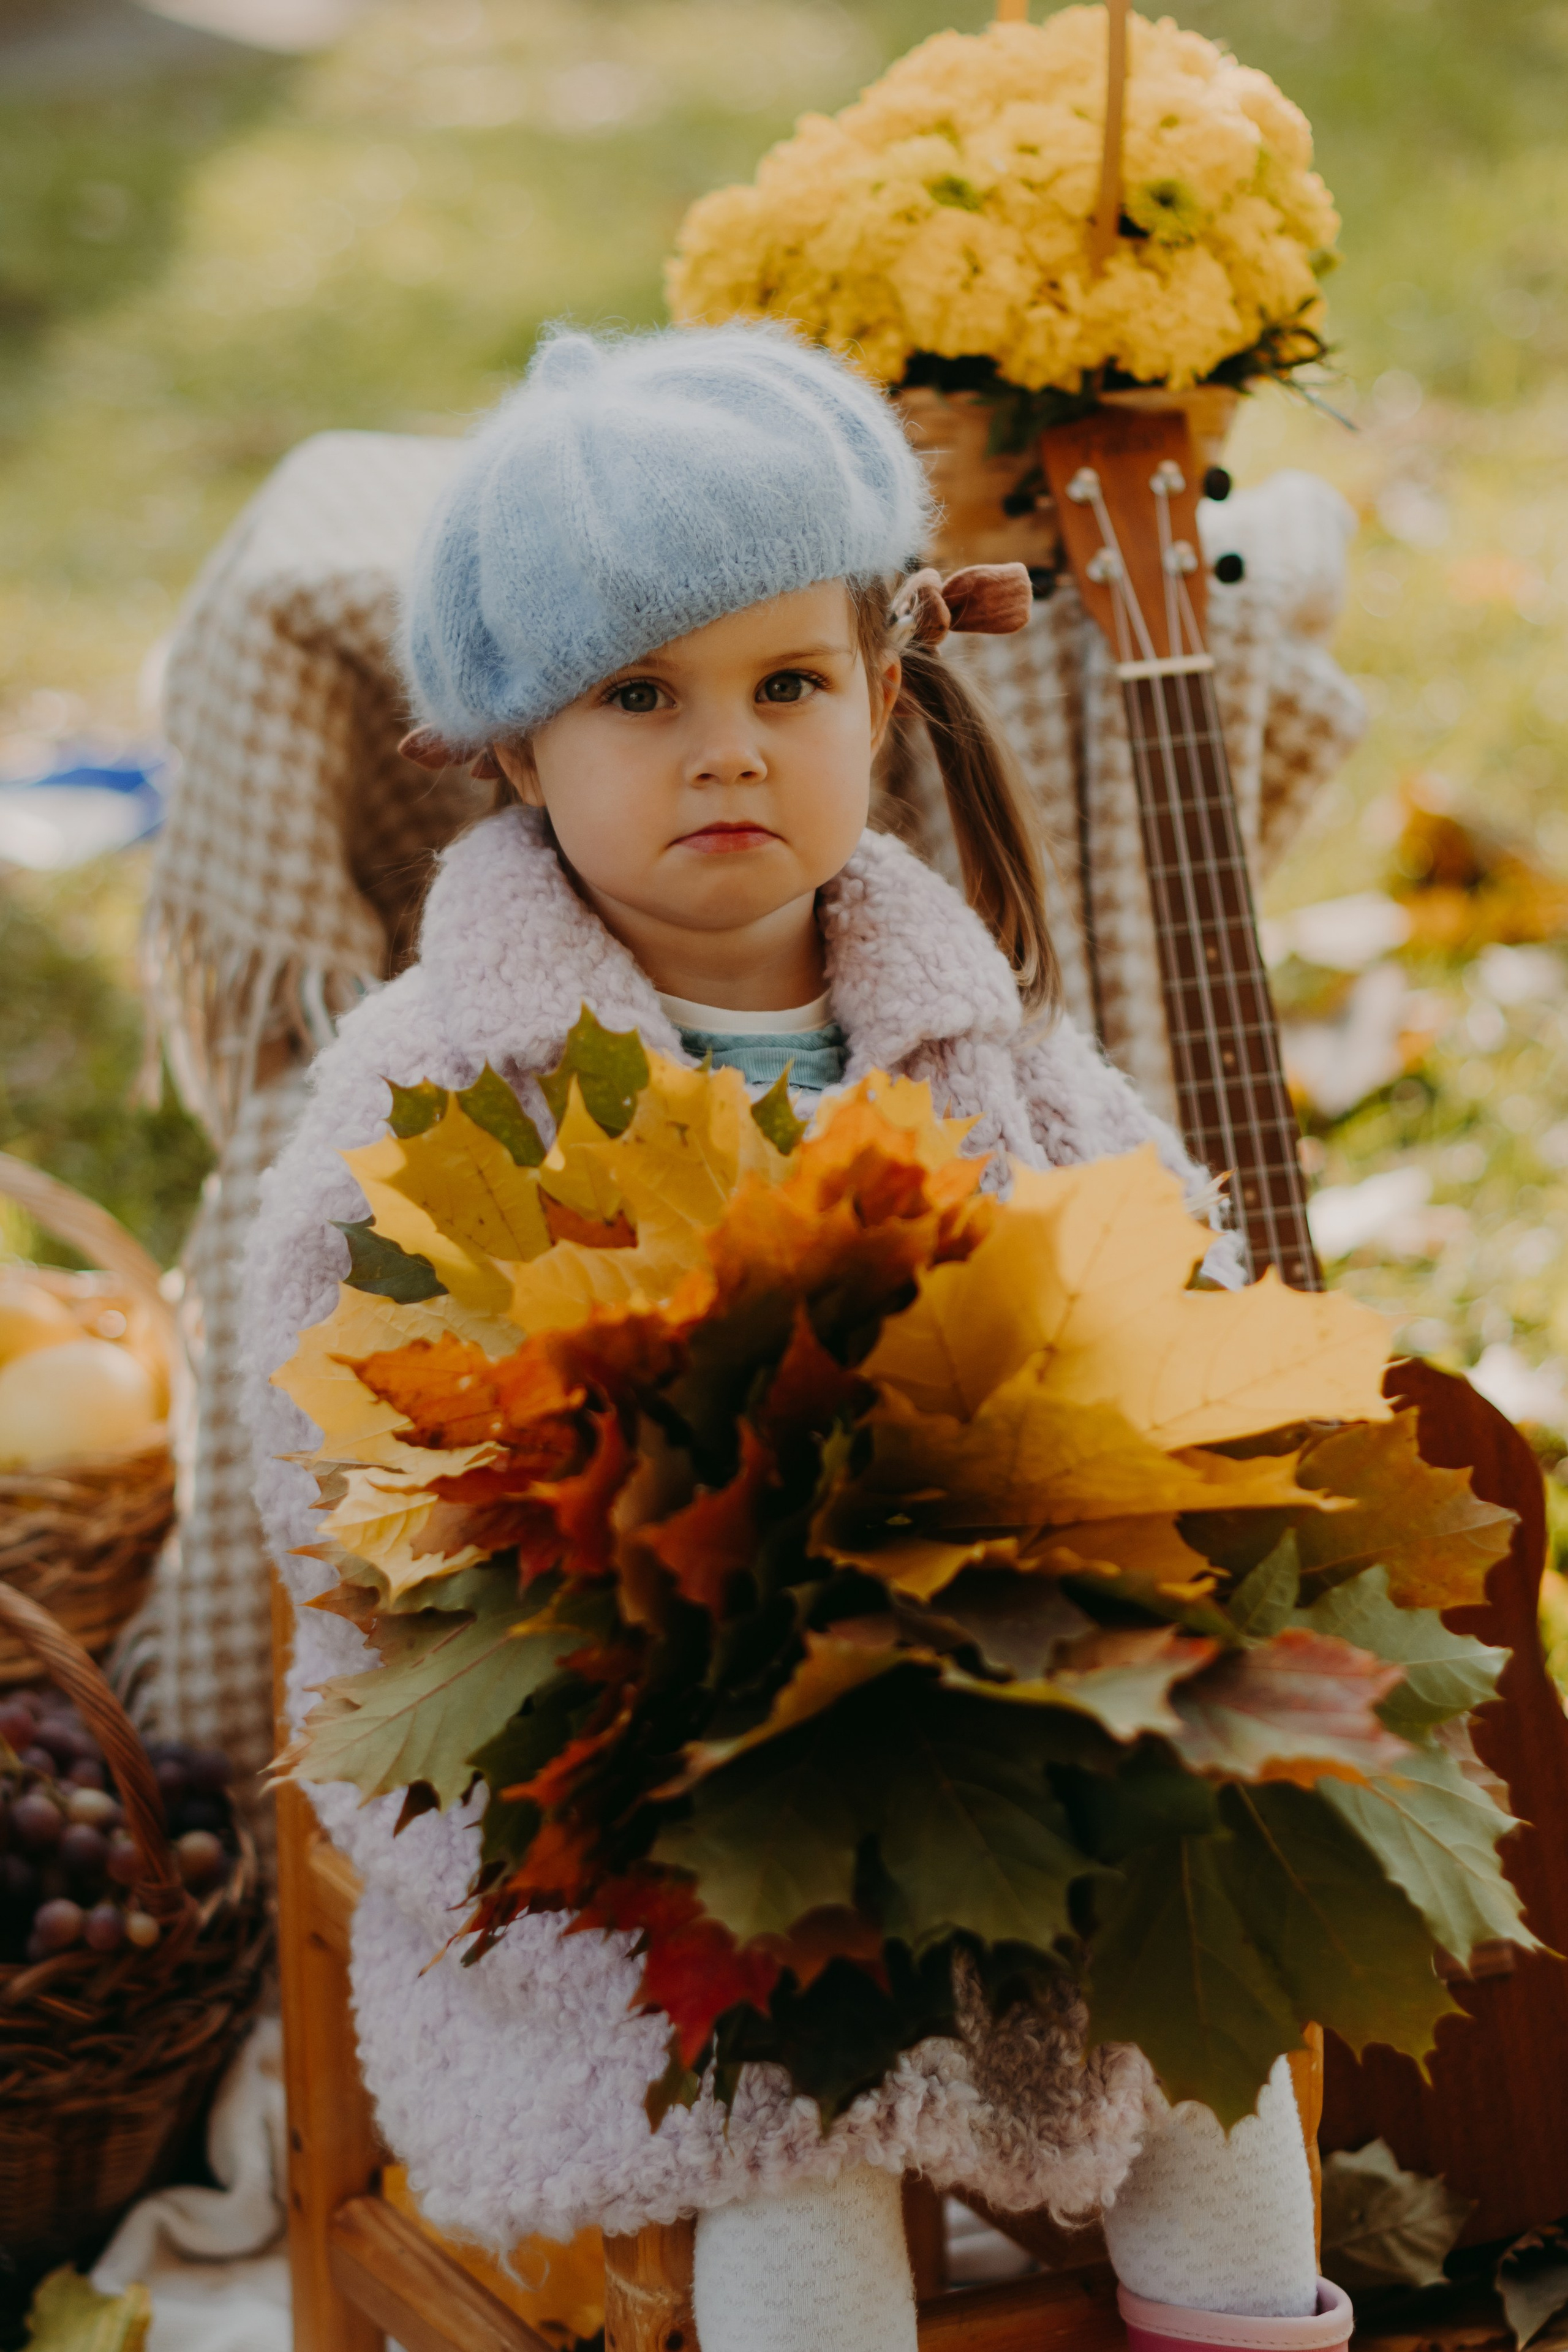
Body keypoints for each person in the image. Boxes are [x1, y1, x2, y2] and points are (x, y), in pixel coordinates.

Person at [244, 324, 1331, 2352]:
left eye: (787, 685)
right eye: (641, 696)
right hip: (616, 1785)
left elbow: (1159, 1269)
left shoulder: (972, 1030)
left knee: (1210, 2016)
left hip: (978, 1708)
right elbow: (351, 1474)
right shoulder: (436, 1094)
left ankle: (1244, 2315)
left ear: (886, 690)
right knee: (782, 2098)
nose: (726, 750)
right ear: (515, 749)